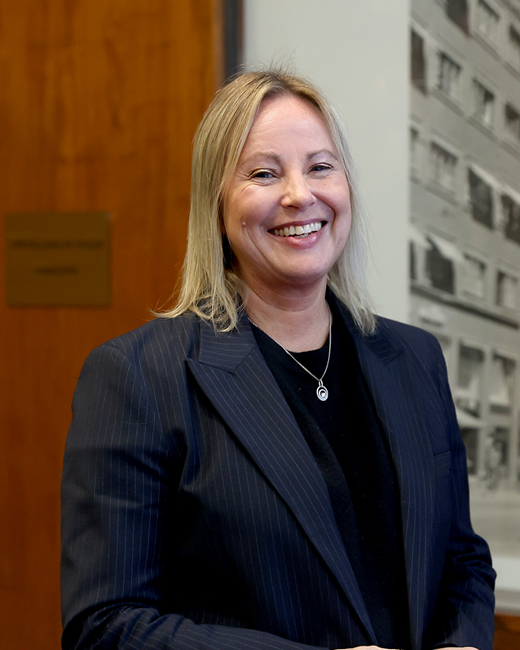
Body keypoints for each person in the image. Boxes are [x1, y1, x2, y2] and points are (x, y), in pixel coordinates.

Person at [60, 70, 496, 650]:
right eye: (263, 174)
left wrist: (463, 644)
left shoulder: (415, 359)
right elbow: (105, 625)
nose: (299, 195)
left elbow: (462, 560)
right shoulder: (137, 376)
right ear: (217, 205)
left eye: (320, 167)